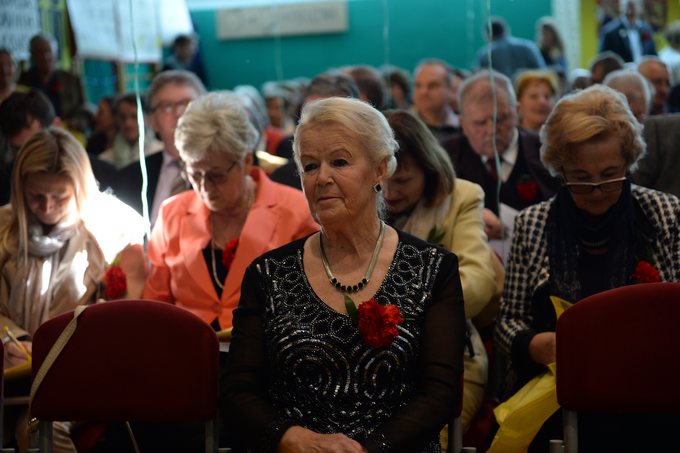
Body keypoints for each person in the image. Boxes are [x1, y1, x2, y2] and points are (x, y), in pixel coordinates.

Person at [221, 96, 466, 453]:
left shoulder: (432, 268)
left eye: (339, 162)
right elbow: (237, 391)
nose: (322, 178)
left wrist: (370, 450)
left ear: (380, 170)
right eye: (309, 166)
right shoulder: (268, 274)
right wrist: (296, 439)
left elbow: (440, 392)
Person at [494, 84, 680, 450]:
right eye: (579, 178)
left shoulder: (665, 214)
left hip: (651, 394)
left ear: (629, 160)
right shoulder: (534, 223)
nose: (596, 190)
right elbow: (508, 320)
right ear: (558, 167)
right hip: (560, 399)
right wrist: (536, 345)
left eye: (610, 174)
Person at [0, 128, 147, 452]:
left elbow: (121, 324)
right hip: (12, 370)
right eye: (36, 195)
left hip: (83, 373)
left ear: (79, 190)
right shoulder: (4, 226)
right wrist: (17, 339)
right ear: (19, 186)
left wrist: (50, 348)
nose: (47, 207)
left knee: (38, 429)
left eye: (60, 197)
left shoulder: (115, 229)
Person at [143, 91, 317, 331]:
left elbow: (309, 306)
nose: (204, 187)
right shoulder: (172, 213)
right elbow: (155, 306)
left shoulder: (295, 211)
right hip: (188, 354)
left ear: (246, 161)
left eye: (216, 175)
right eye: (194, 174)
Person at [382, 109, 500, 440]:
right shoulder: (355, 198)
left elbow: (479, 280)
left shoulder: (460, 197)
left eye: (403, 180)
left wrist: (408, 310)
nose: (389, 194)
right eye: (381, 182)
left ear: (430, 171)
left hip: (448, 359)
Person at [440, 70, 559, 240]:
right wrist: (464, 221)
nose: (492, 131)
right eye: (480, 123)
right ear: (463, 124)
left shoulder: (549, 151)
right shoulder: (444, 157)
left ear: (517, 112)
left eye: (501, 119)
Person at [114, 70, 206, 227]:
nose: (178, 113)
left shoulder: (225, 171)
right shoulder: (130, 178)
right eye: (167, 107)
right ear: (153, 122)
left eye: (187, 104)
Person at [0, 90, 117, 206]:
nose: (27, 156)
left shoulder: (105, 175)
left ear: (56, 126)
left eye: (35, 145)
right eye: (17, 149)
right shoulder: (4, 184)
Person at [17, 34, 84, 126]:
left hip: (66, 132)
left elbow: (84, 108)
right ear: (32, 55)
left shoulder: (71, 80)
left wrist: (78, 121)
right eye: (39, 52)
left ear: (56, 53)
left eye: (48, 51)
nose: (45, 56)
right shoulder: (22, 80)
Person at [98, 93, 163, 169]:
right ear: (117, 119)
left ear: (148, 118)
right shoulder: (105, 160)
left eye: (134, 117)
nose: (128, 123)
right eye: (123, 117)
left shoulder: (161, 153)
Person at [475, 16, 546, 79]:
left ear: (488, 34)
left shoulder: (485, 54)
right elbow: (542, 72)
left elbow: (478, 79)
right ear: (506, 30)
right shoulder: (529, 46)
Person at [411, 59, 461, 141]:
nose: (423, 92)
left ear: (450, 89)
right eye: (418, 85)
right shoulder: (402, 127)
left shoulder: (465, 129)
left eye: (432, 85)